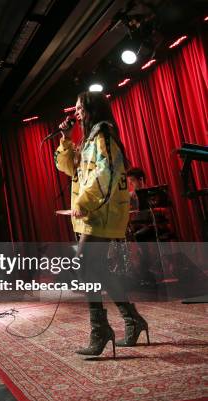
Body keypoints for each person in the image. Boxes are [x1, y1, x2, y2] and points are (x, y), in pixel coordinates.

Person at [55, 91, 149, 357]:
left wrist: (82, 202)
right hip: (93, 213)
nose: (75, 112)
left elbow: (105, 173)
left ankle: (101, 330)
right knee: (98, 271)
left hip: (102, 212)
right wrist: (65, 140)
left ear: (92, 108)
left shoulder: (104, 136)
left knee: (84, 265)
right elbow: (70, 169)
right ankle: (132, 320)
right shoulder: (88, 141)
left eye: (79, 107)